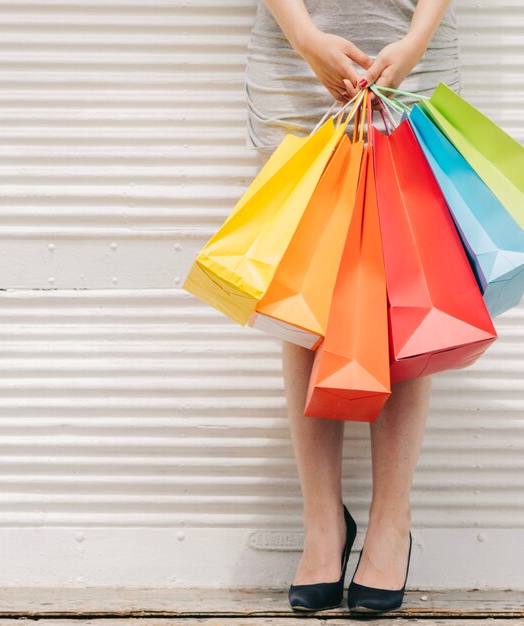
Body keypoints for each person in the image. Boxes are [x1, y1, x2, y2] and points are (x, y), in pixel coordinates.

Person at [243, 0, 460, 614]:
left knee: (408, 286)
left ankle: (392, 522)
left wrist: (417, 38)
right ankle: (323, 525)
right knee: (305, 288)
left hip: (412, 53)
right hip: (294, 58)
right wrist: (305, 34)